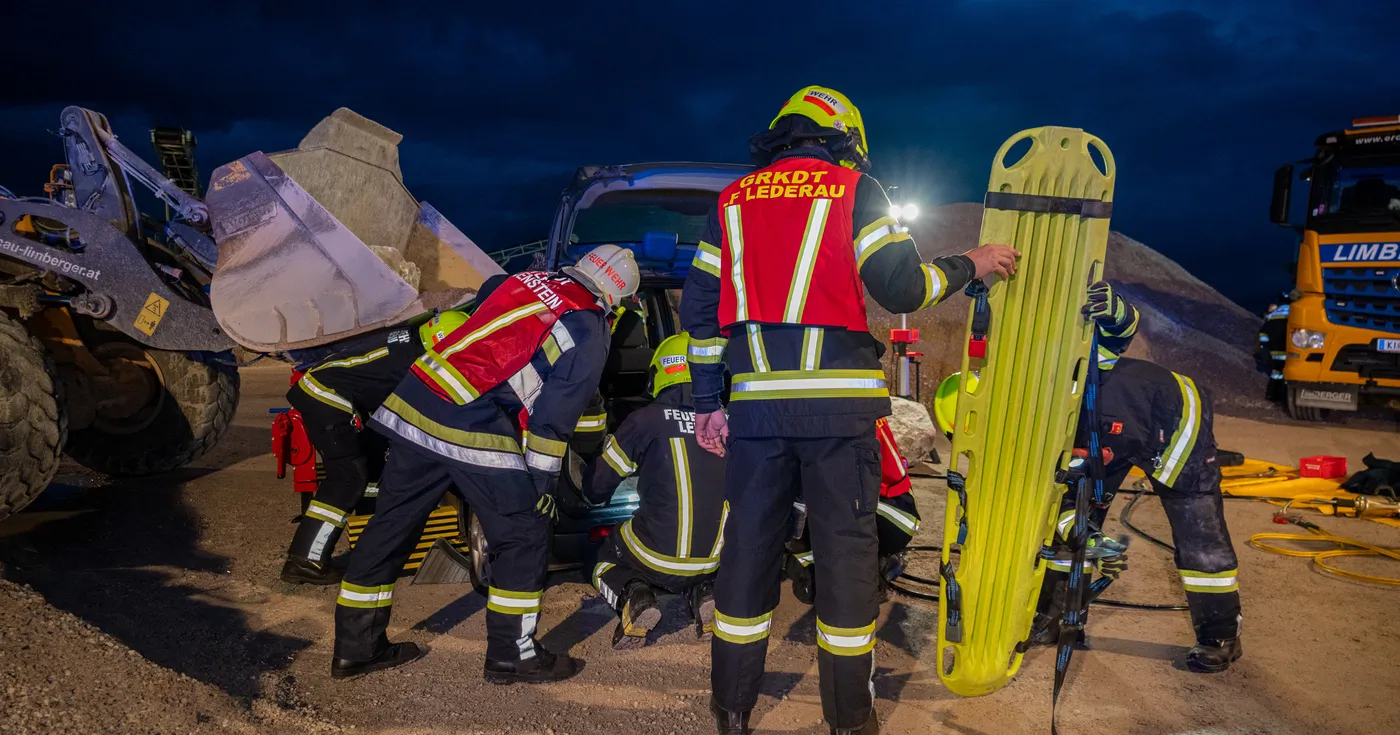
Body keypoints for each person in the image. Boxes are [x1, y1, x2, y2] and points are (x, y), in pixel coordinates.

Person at [680, 85, 1019, 735]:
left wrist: (706, 405)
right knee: (844, 561)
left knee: (747, 555)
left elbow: (700, 316)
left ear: (781, 135)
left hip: (756, 416)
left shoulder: (730, 202)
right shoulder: (854, 190)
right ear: (846, 139)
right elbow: (903, 286)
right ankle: (850, 720)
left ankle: (731, 710)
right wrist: (970, 263)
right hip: (838, 419)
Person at [330, 246, 639, 681]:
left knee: (391, 526)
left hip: (419, 397)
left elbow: (491, 297)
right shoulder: (588, 327)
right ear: (615, 298)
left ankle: (356, 648)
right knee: (524, 531)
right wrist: (543, 486)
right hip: (470, 413)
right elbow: (553, 421)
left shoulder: (529, 280)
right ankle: (514, 654)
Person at [1028, 281, 1243, 673]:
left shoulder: (1068, 365)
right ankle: (1062, 618)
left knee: (1198, 532)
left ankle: (1220, 636)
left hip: (1172, 418)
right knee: (1069, 518)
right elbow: (1060, 511)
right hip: (1103, 434)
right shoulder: (1025, 414)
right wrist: (1086, 532)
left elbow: (1118, 331)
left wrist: (1115, 310)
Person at [280, 310, 467, 585]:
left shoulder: (409, 337)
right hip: (327, 397)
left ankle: (367, 539)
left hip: (322, 387)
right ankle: (305, 561)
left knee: (368, 466)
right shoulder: (413, 363)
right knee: (348, 478)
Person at [584, 333, 728, 649]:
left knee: (605, 559)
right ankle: (708, 593)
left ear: (659, 374)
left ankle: (635, 596)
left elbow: (597, 487)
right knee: (701, 556)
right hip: (715, 557)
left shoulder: (645, 420)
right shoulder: (729, 423)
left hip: (654, 557)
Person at [784, 416, 920, 604]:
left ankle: (854, 569)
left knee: (791, 495)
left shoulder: (827, 418)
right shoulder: (852, 403)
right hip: (891, 512)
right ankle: (855, 566)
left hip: (888, 511)